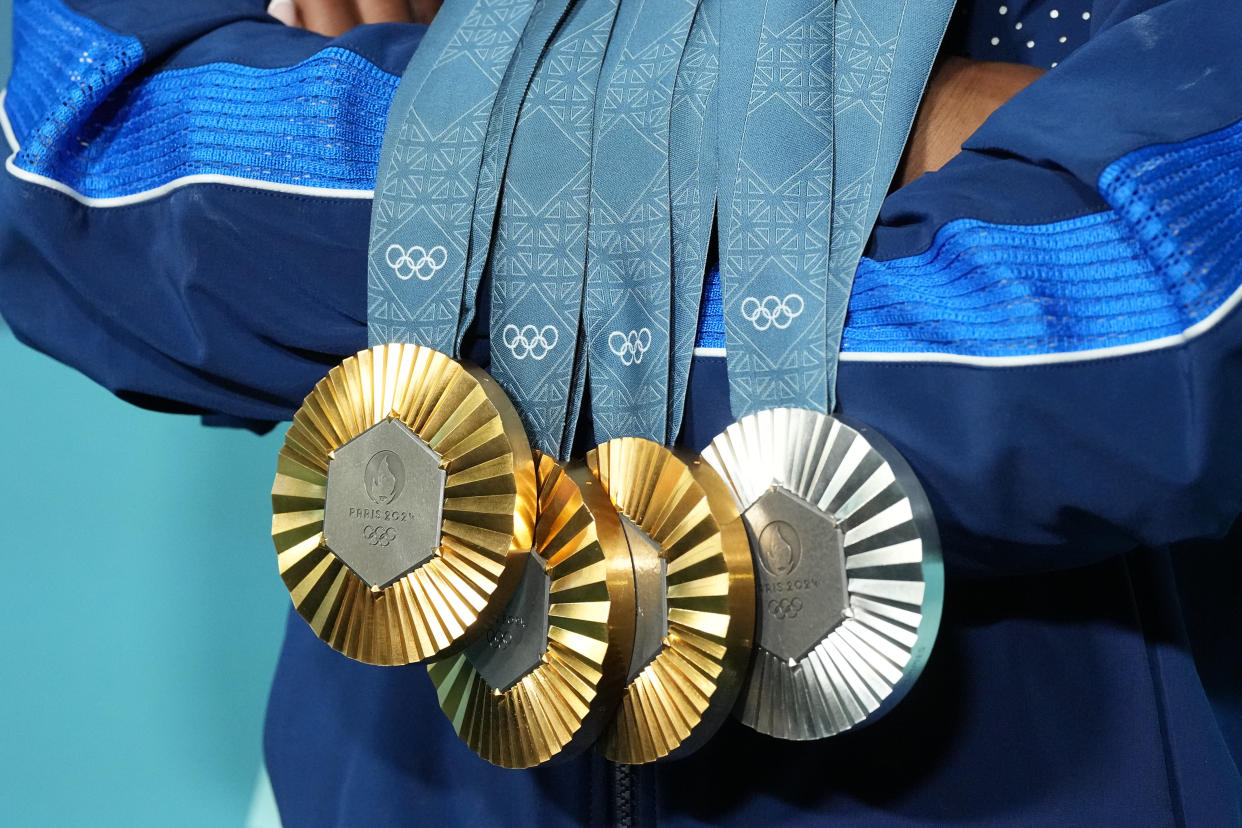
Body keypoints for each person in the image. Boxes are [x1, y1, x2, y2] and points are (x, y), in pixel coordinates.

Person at [1, 0, 1239, 824]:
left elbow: (1161, 326)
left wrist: (489, 67)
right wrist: (878, 109)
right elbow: (90, 147)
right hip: (404, 770)